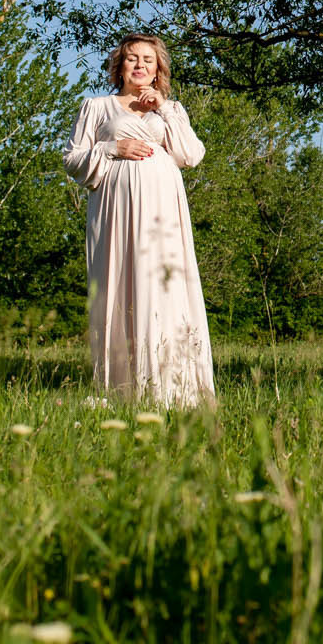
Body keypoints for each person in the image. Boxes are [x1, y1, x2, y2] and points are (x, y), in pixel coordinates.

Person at [62, 34, 214, 405]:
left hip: (163, 213)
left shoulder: (172, 109)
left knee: (162, 284)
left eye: (148, 59)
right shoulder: (96, 107)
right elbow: (72, 159)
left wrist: (162, 108)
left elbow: (191, 155)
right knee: (120, 281)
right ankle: (121, 388)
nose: (140, 65)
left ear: (159, 68)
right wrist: (114, 148)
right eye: (132, 59)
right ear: (119, 66)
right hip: (115, 213)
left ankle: (172, 385)